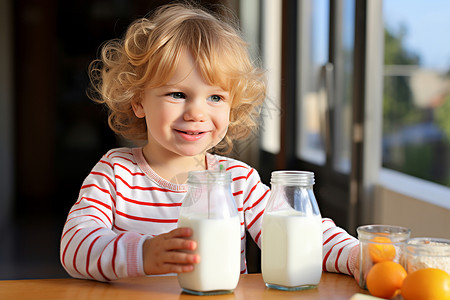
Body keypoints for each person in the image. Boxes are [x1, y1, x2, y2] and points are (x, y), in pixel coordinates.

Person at [60, 2, 359, 282]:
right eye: (178, 94)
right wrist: (143, 253)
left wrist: (357, 256)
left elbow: (299, 235)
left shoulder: (238, 182)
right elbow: (75, 245)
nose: (197, 113)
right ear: (139, 101)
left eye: (215, 97)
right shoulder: (115, 173)